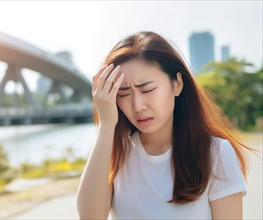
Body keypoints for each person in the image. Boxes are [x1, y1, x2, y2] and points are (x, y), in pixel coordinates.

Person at [77, 31, 252, 219]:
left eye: (147, 89)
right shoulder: (117, 153)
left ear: (177, 84)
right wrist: (106, 126)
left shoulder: (215, 153)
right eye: (124, 93)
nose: (137, 106)